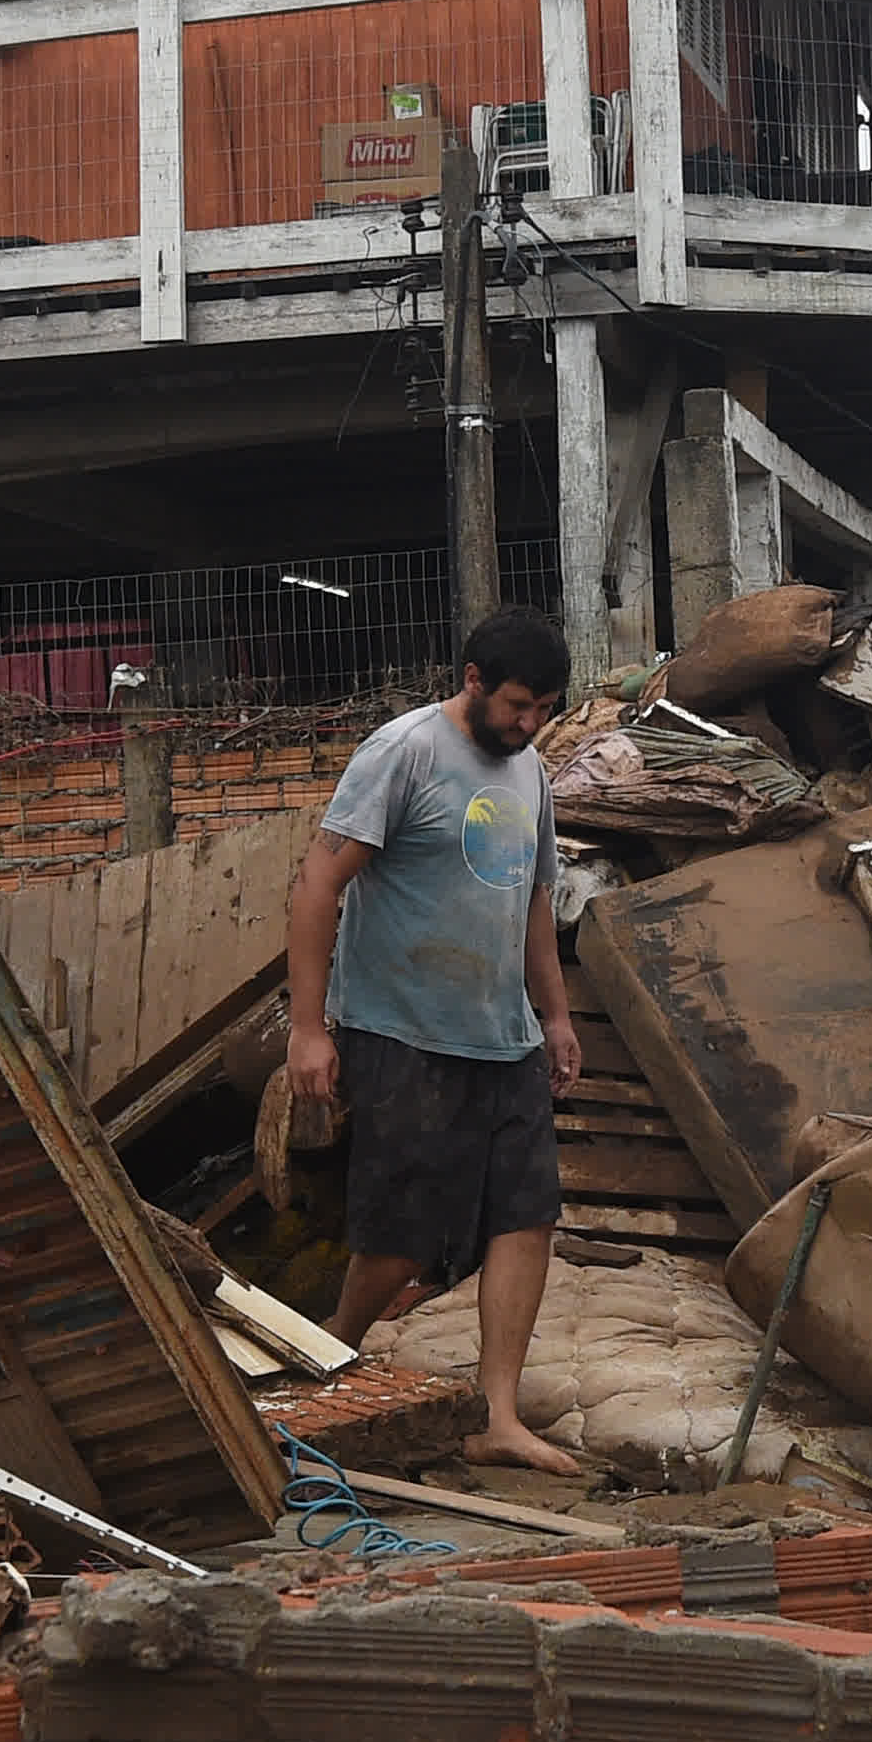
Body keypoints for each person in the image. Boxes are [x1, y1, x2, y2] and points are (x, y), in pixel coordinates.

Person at [283, 605, 583, 1475]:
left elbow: (532, 900)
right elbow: (315, 887)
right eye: (518, 706)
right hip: (403, 1032)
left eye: (545, 711)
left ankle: (497, 1416)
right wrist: (309, 1030)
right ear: (474, 680)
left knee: (526, 1219)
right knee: (405, 1235)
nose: (529, 726)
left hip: (504, 1036)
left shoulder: (529, 772)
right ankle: (329, 1356)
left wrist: (555, 1017)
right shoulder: (403, 752)